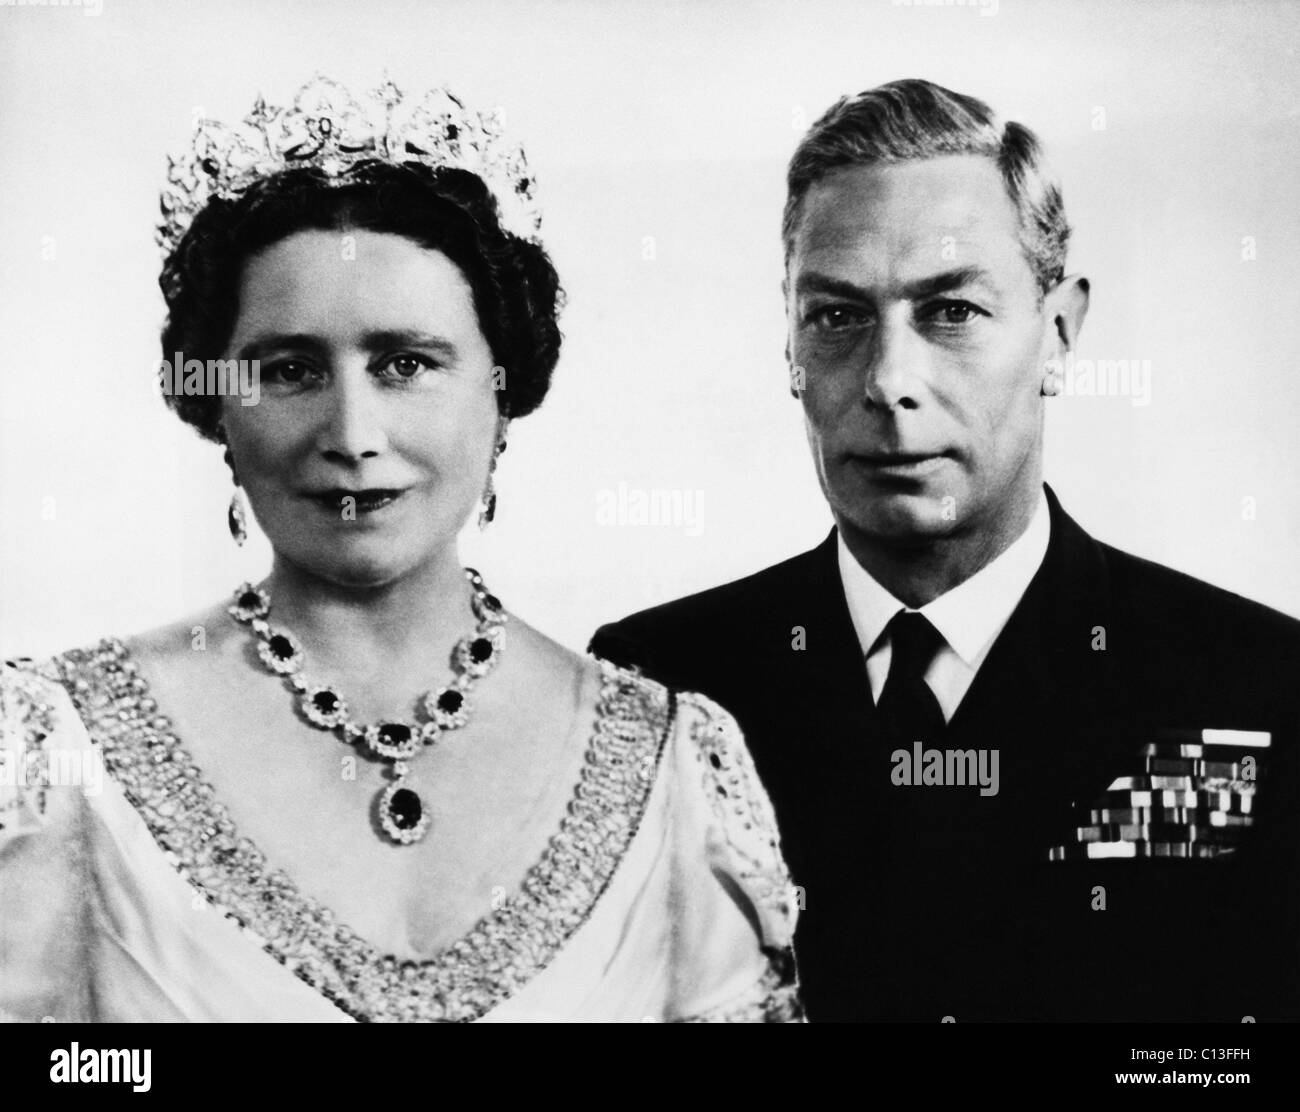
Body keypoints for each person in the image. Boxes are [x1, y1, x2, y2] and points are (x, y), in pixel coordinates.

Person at [0, 76, 802, 1023]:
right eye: (289, 370)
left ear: (502, 392)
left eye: (405, 364)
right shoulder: (59, 751)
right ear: (218, 403)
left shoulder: (672, 762)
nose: (352, 431)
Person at [591, 78, 1300, 1022]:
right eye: (837, 316)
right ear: (790, 344)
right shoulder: (659, 691)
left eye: (951, 311)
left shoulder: (1256, 687)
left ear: (1059, 333)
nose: (889, 381)